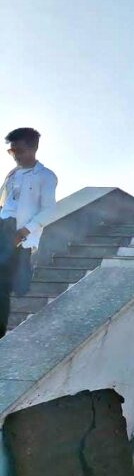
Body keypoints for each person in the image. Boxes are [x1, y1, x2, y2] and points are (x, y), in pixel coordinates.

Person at [0, 128, 58, 338]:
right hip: (2, 225)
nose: (15, 155)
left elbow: (50, 209)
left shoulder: (45, 176)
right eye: (11, 150)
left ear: (33, 149)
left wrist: (24, 231)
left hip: (18, 232)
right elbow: (5, 202)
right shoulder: (12, 173)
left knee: (4, 284)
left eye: (20, 150)